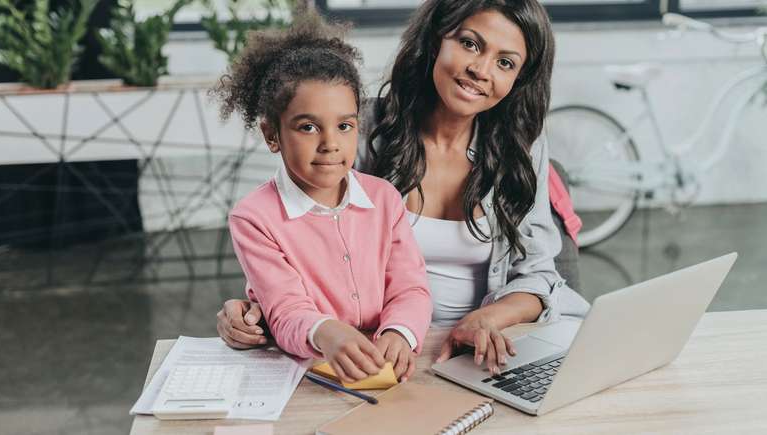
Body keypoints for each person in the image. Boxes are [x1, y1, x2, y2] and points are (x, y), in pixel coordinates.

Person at [216, 0, 590, 376]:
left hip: (484, 348)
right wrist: (257, 307)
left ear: (520, 78)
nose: (480, 70)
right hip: (377, 348)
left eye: (505, 62)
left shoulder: (523, 145)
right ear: (435, 40)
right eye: (470, 44)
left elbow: (540, 273)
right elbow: (306, 242)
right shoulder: (358, 128)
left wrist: (488, 318)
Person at [213, 11, 433, 384]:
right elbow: (285, 309)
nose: (330, 144)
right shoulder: (253, 218)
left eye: (344, 126)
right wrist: (325, 332)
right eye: (308, 127)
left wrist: (400, 332)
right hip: (310, 371)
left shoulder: (385, 199)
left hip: (387, 368)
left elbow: (410, 287)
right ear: (271, 135)